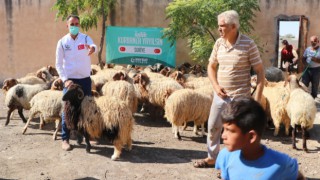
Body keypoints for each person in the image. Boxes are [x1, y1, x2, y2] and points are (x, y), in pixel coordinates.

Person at [193, 10, 265, 168]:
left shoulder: (248, 44)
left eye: (222, 26)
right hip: (220, 96)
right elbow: (211, 67)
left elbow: (260, 71)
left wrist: (257, 100)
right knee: (213, 127)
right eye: (218, 26)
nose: (219, 29)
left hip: (240, 98)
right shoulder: (218, 43)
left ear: (233, 26)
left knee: (235, 133)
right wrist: (216, 86)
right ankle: (212, 158)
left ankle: (232, 165)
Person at [215, 97, 300, 179]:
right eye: (224, 129)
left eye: (229, 131)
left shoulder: (281, 163)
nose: (223, 136)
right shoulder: (225, 156)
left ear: (251, 136)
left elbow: (298, 177)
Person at [55, 15, 96, 151]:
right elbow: (58, 64)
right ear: (67, 26)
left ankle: (88, 136)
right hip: (70, 81)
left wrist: (92, 49)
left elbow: (93, 45)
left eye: (77, 24)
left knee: (87, 108)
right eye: (72, 24)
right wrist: (65, 80)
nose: (74, 26)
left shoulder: (85, 38)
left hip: (85, 79)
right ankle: (65, 139)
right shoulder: (62, 42)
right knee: (67, 110)